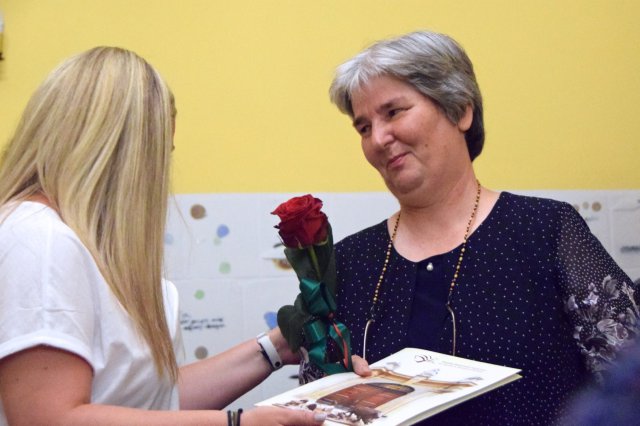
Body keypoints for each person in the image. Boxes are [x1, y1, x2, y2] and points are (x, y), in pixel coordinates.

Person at [0, 46, 369, 426]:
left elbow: (153, 402)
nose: (160, 174)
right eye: (159, 153)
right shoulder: (39, 239)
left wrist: (277, 346)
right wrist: (238, 424)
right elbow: (46, 417)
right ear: (116, 150)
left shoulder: (78, 245)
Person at [299, 31, 640, 425]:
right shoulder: (347, 261)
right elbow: (312, 406)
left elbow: (627, 385)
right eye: (363, 127)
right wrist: (338, 391)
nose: (378, 138)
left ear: (460, 110)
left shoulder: (546, 231)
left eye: (393, 112)